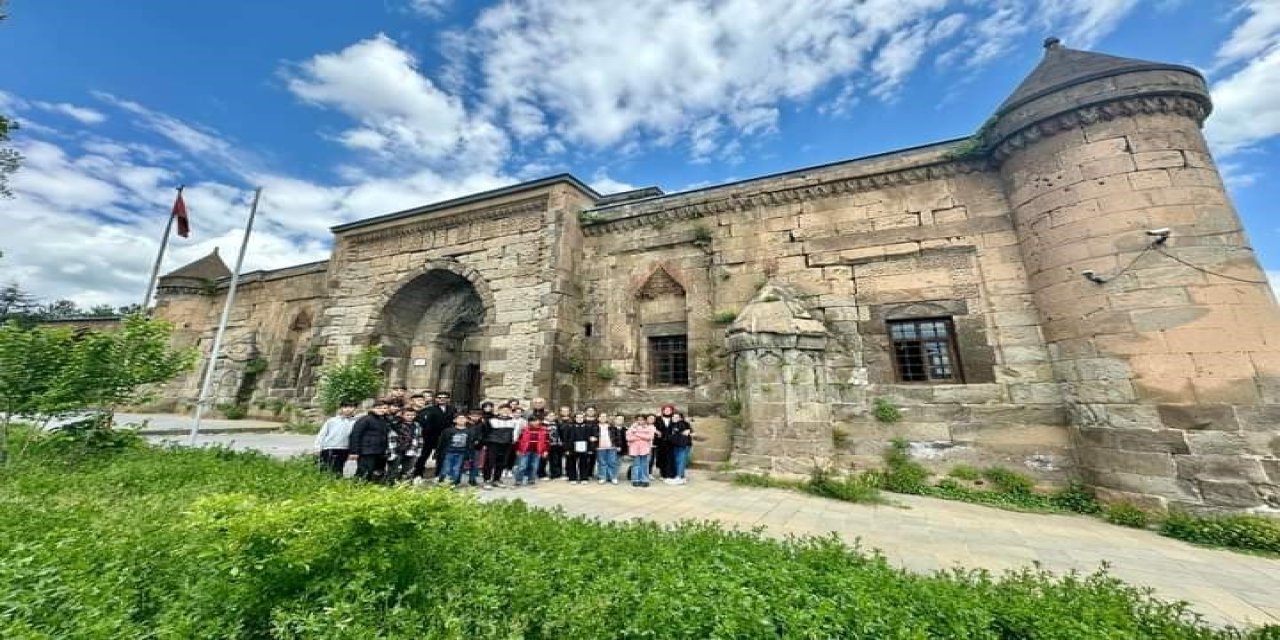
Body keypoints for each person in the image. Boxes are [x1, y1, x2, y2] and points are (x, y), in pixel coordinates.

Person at [348, 400, 393, 483]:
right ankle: (357, 488)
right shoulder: (365, 419)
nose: (381, 410)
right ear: (372, 408)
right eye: (378, 408)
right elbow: (355, 435)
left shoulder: (384, 421)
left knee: (377, 472)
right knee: (364, 472)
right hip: (367, 451)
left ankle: (371, 490)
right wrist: (354, 451)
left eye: (383, 408)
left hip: (380, 451)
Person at [416, 391, 456, 481]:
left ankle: (439, 475)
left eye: (444, 398)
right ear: (436, 399)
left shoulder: (452, 409)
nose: (442, 399)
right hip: (430, 436)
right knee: (424, 455)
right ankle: (418, 474)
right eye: (439, 397)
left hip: (445, 437)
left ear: (448, 399)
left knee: (442, 457)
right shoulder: (429, 409)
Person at [481, 404, 519, 489]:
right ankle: (486, 480)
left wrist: (513, 442)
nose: (505, 412)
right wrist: (485, 444)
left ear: (510, 411)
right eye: (503, 410)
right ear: (499, 411)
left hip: (507, 444)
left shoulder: (514, 421)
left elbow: (515, 434)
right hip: (493, 444)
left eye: (507, 410)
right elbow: (485, 432)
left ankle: (496, 479)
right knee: (489, 462)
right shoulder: (491, 420)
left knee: (502, 463)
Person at [314, 402, 357, 477]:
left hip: (344, 448)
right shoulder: (332, 421)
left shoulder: (355, 422)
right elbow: (322, 434)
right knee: (325, 468)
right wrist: (317, 447)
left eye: (351, 407)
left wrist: (353, 451)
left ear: (355, 409)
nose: (348, 409)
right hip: (329, 447)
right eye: (345, 407)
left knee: (338, 469)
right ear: (341, 408)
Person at [437, 414, 478, 487]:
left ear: (467, 420)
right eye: (459, 418)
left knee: (457, 468)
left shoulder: (470, 432)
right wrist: (438, 452)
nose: (461, 420)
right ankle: (443, 482)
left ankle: (453, 483)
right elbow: (441, 442)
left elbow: (470, 444)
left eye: (463, 418)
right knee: (446, 468)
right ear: (454, 420)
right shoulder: (448, 430)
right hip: (449, 452)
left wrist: (469, 455)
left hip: (461, 453)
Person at [513, 417, 550, 486]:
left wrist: (545, 450)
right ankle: (518, 480)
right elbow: (519, 440)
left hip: (537, 451)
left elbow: (547, 441)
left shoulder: (544, 430)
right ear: (529, 422)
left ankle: (531, 479)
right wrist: (517, 449)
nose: (535, 422)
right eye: (533, 421)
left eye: (536, 421)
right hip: (525, 450)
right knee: (522, 466)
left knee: (534, 466)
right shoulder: (524, 429)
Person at [388, 407, 421, 483]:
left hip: (411, 450)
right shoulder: (396, 425)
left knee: (408, 471)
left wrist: (418, 451)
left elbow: (419, 438)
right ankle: (391, 485)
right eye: (408, 415)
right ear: (402, 415)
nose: (410, 417)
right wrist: (392, 453)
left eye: (413, 415)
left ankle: (406, 486)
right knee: (393, 470)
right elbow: (391, 439)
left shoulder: (417, 425)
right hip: (397, 451)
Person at [564, 411, 595, 484]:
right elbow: (566, 438)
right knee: (571, 463)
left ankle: (584, 478)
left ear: (584, 418)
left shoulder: (588, 427)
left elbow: (590, 438)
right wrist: (567, 449)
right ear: (574, 418)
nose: (579, 419)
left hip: (584, 448)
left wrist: (590, 449)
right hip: (572, 447)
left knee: (584, 463)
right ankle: (572, 478)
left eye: (581, 417)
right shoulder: (569, 427)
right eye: (577, 417)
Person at [541, 406, 570, 480]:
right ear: (545, 416)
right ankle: (542, 474)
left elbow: (559, 433)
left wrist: (560, 441)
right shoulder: (542, 425)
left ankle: (556, 474)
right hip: (545, 444)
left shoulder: (556, 423)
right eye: (550, 416)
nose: (552, 417)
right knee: (543, 460)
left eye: (553, 415)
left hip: (555, 444)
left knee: (555, 460)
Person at [626, 416, 657, 488]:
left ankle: (645, 480)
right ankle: (635, 480)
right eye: (638, 420)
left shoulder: (649, 428)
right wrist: (642, 436)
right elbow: (629, 438)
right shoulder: (631, 428)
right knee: (636, 465)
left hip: (645, 449)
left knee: (644, 465)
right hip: (635, 449)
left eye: (642, 420)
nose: (640, 421)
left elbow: (650, 437)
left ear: (645, 421)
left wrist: (636, 434)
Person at [596, 413, 625, 485]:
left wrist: (617, 445)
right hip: (600, 447)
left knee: (612, 462)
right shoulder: (595, 427)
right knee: (602, 463)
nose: (603, 418)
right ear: (598, 418)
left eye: (605, 417)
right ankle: (602, 477)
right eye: (601, 417)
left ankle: (613, 477)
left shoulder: (611, 427)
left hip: (611, 447)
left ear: (607, 418)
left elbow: (617, 436)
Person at [666, 412, 694, 485]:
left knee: (680, 461)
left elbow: (686, 432)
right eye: (673, 417)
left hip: (683, 446)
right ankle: (681, 476)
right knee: (678, 461)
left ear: (680, 418)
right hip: (676, 445)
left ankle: (679, 477)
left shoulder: (682, 424)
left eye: (676, 417)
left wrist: (688, 430)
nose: (674, 418)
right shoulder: (672, 425)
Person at [655, 404, 678, 481]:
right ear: (663, 411)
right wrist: (656, 431)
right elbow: (653, 427)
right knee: (661, 457)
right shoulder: (658, 419)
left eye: (669, 410)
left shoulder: (674, 418)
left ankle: (670, 473)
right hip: (661, 441)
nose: (667, 411)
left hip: (671, 442)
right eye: (666, 410)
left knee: (670, 458)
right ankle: (663, 474)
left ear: (672, 411)